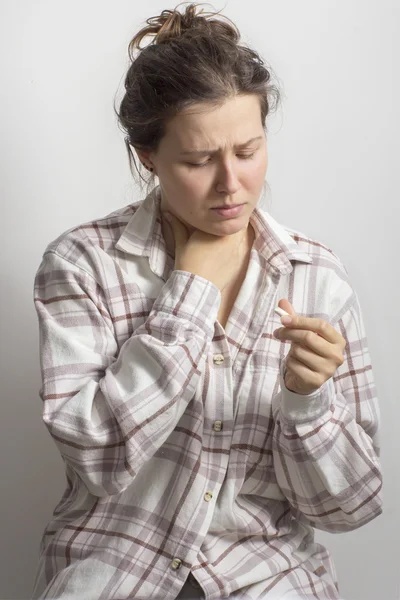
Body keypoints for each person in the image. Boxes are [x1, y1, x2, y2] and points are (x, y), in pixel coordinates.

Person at [31, 3, 382, 599]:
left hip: (270, 579)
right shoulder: (80, 264)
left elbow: (350, 507)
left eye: (248, 151)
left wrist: (307, 401)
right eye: (198, 160)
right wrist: (191, 292)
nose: (231, 184)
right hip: (117, 574)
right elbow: (99, 459)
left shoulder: (315, 275)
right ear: (148, 156)